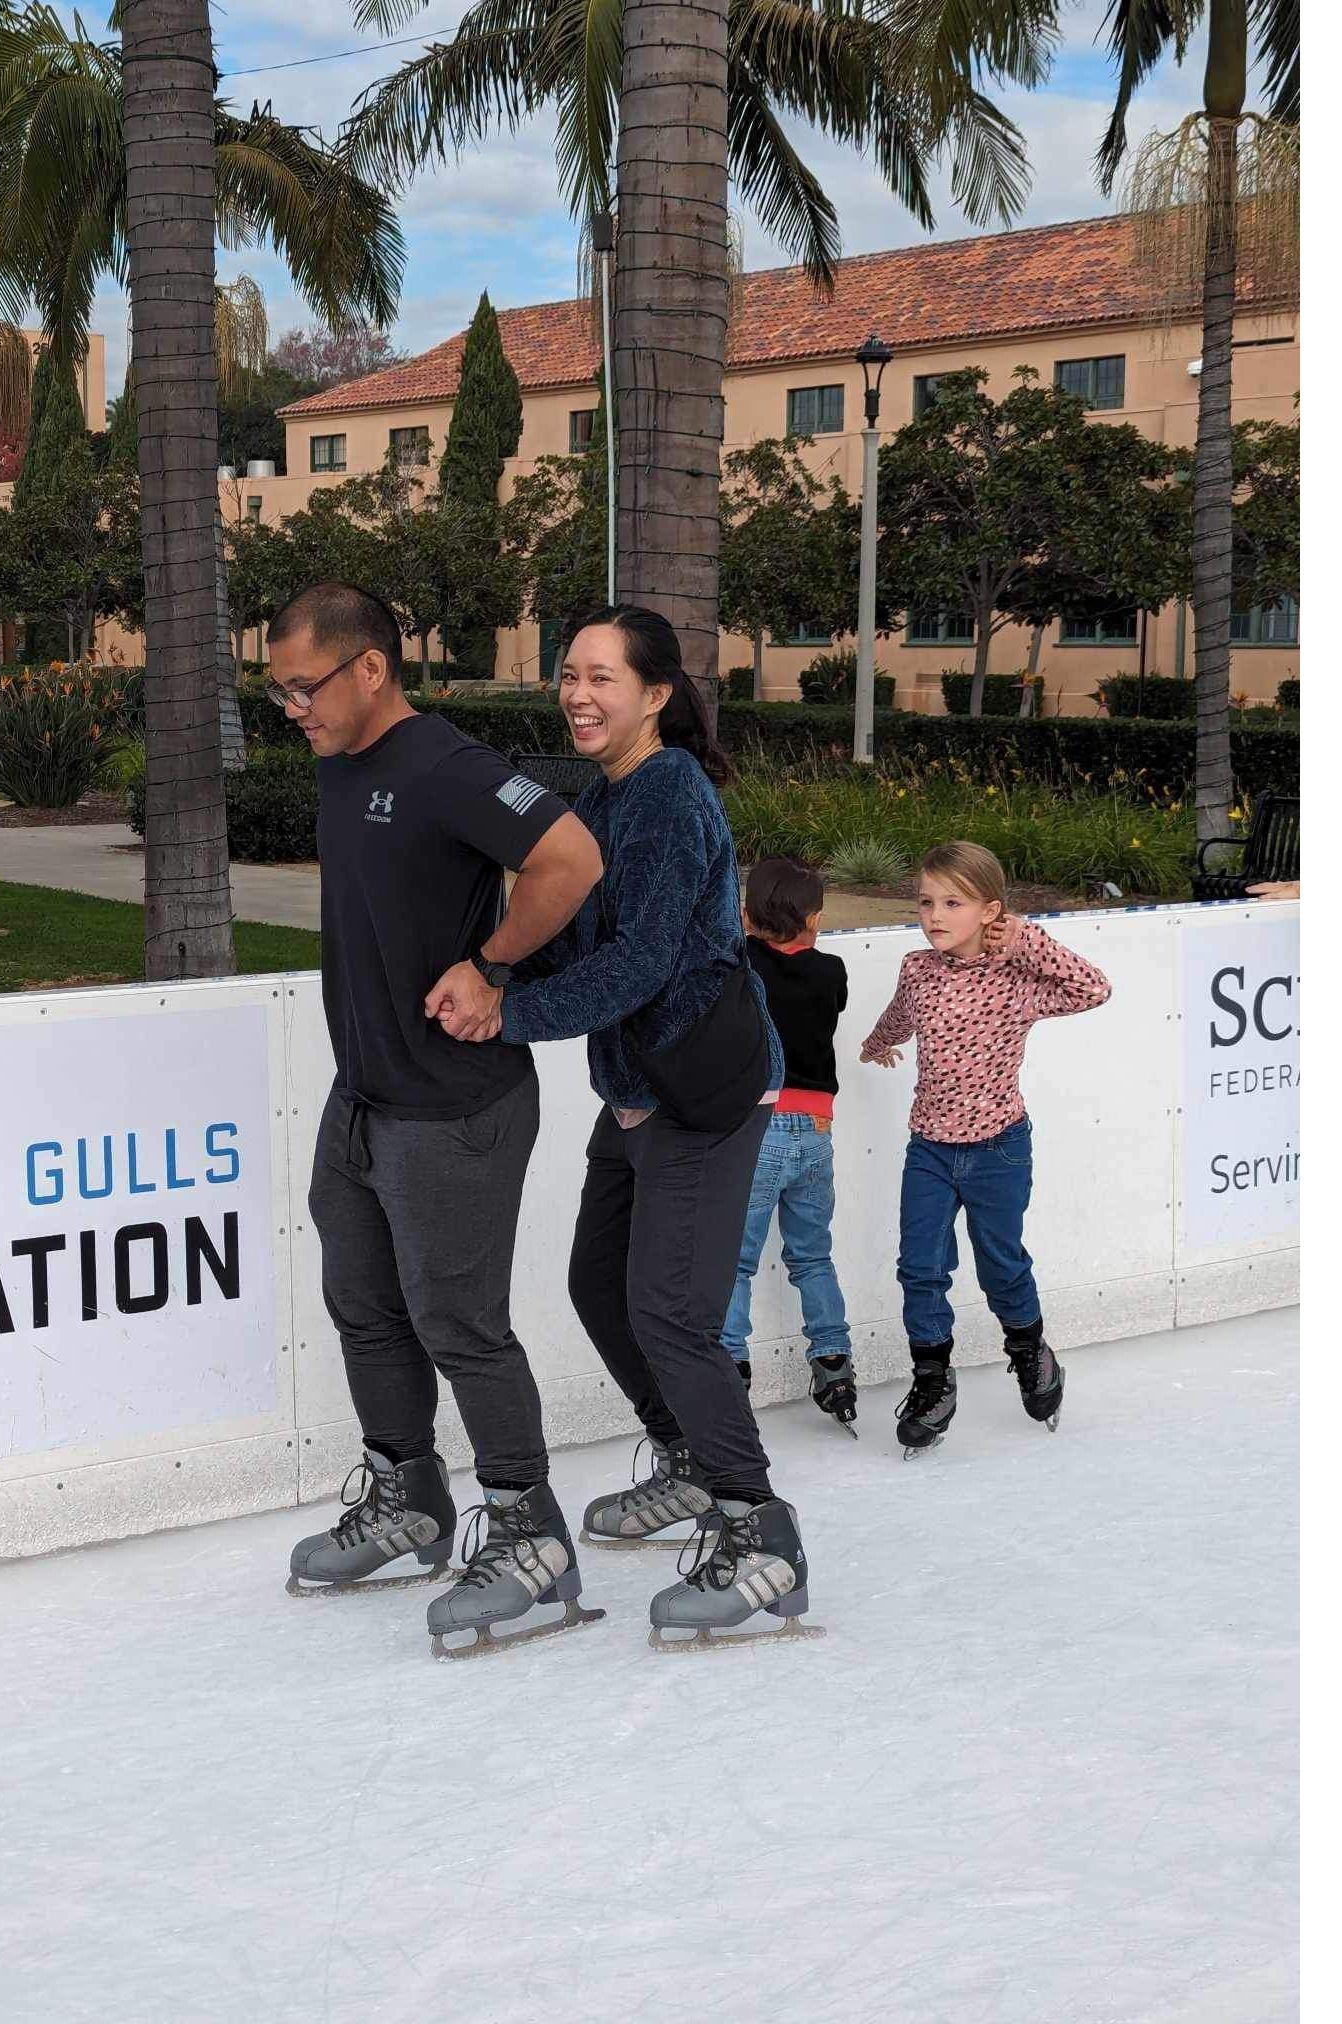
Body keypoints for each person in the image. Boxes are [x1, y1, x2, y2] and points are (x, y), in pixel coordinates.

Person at [431, 606, 815, 1648]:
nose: (578, 694)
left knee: (671, 1316)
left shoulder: (669, 797)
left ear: (655, 694)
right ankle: (687, 1459)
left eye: (603, 677)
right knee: (599, 1285)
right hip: (638, 1093)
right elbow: (573, 938)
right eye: (568, 674)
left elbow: (642, 962)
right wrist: (490, 966)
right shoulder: (601, 799)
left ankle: (760, 1531)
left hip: (700, 1093)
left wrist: (510, 1012)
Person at [271, 583, 609, 1661]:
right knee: (364, 1306)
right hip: (362, 1096)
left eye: (305, 686)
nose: (294, 708)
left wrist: (493, 963)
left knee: (460, 1325)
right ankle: (409, 1496)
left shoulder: (442, 765)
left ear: (370, 668)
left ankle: (527, 1535)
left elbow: (572, 859)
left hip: (455, 1104)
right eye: (277, 690)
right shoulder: (342, 761)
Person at [861, 840, 1112, 1456]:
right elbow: (901, 1016)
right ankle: (931, 1381)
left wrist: (1026, 940)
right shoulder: (918, 970)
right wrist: (875, 1043)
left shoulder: (1018, 978)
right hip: (931, 1151)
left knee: (1000, 1265)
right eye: (926, 902)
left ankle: (1030, 1353)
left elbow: (1094, 989)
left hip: (999, 1149)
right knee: (920, 1268)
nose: (934, 915)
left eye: (953, 902)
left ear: (990, 911)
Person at [717, 856, 859, 1434]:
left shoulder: (744, 965)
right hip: (817, 1134)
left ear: (748, 918)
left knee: (735, 1260)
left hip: (761, 1128)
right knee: (812, 1255)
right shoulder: (832, 971)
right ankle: (833, 1359)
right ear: (816, 920)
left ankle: (728, 1366)